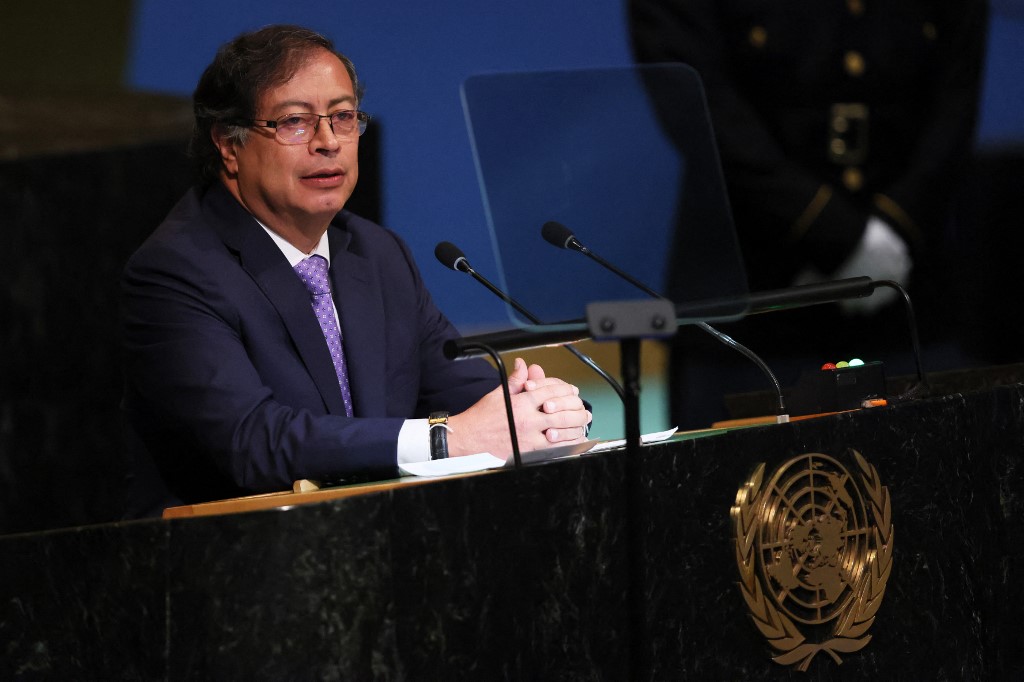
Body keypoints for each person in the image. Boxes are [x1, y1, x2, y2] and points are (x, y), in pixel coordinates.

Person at [120, 25, 591, 517]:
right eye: (294, 122)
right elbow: (252, 442)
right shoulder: (177, 271)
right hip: (227, 562)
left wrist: (543, 412)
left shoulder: (375, 252)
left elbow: (466, 393)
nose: (328, 142)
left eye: (343, 117)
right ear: (229, 145)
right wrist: (442, 440)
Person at [628, 0, 990, 428]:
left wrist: (893, 231)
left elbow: (956, 96)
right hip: (752, 309)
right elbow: (694, 94)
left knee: (941, 483)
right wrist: (839, 237)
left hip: (909, 301)